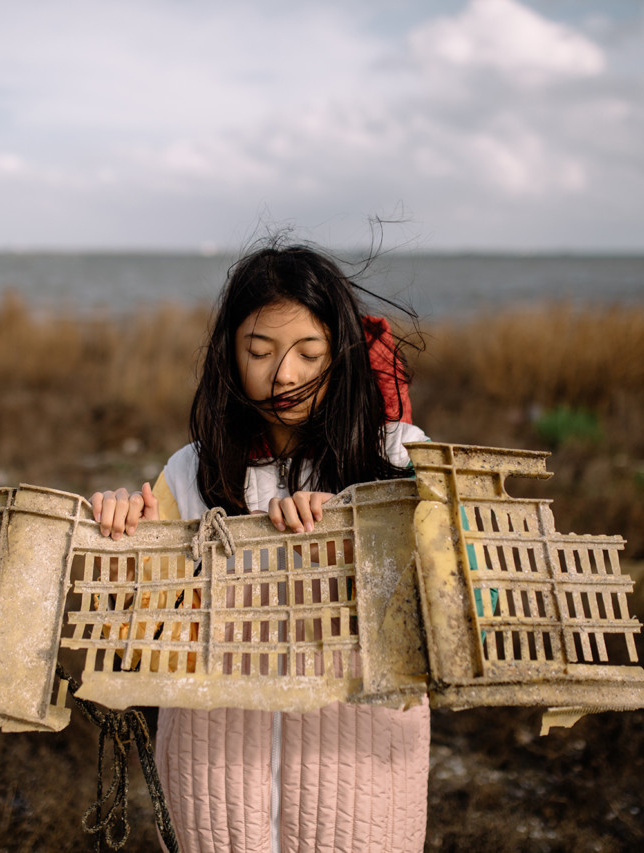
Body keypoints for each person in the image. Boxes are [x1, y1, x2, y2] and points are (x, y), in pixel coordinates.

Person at [90, 241, 430, 853]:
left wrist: (357, 526)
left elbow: (447, 594)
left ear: (343, 352)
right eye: (260, 351)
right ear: (229, 354)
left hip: (361, 772)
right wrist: (117, 532)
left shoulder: (398, 453)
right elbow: (137, 631)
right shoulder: (191, 470)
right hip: (210, 776)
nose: (284, 376)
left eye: (309, 353)